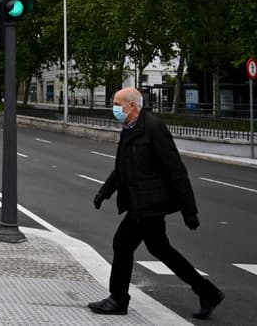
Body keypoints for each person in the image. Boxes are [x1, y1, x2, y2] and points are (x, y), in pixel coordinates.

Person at [88, 87, 224, 320]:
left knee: (122, 244)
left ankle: (118, 299)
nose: (114, 108)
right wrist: (105, 191)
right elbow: (122, 166)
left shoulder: (153, 128)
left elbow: (176, 170)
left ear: (132, 106)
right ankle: (207, 291)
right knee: (160, 248)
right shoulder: (129, 129)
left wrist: (189, 212)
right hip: (139, 202)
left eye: (118, 104)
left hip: (149, 203)